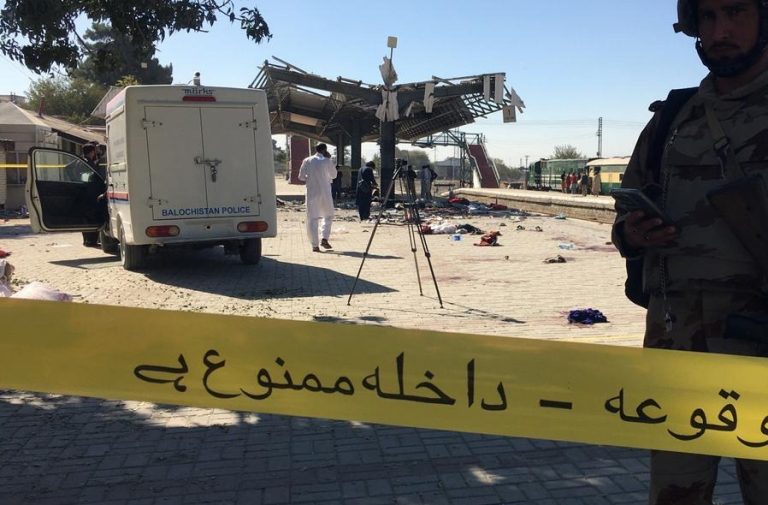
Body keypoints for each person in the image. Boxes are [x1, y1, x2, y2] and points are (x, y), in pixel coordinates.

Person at [612, 1, 768, 503]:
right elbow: (626, 209)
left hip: (761, 347)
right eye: (708, 18)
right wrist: (633, 233)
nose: (719, 30)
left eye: (735, 13)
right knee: (675, 493)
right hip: (677, 344)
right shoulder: (672, 118)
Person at [298, 143, 337, 252]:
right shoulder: (327, 161)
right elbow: (334, 175)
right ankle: (324, 237)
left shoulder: (307, 160)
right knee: (328, 215)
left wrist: (310, 178)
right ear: (325, 150)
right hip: (325, 192)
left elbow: (301, 177)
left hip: (312, 193)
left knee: (312, 218)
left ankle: (315, 245)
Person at [81, 143, 107, 247]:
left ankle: (86, 240)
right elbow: (98, 176)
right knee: (93, 217)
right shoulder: (90, 163)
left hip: (83, 192)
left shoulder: (80, 160)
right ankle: (91, 241)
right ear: (92, 152)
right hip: (92, 194)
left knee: (86, 218)